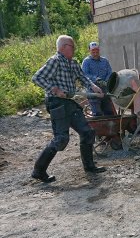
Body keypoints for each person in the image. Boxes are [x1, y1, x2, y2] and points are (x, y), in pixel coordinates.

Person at [31, 35, 106, 182]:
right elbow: (37, 78)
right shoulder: (55, 61)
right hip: (56, 102)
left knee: (87, 132)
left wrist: (94, 87)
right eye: (72, 46)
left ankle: (89, 166)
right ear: (63, 47)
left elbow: (82, 77)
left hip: (68, 103)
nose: (74, 48)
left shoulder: (73, 63)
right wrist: (54, 89)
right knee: (61, 139)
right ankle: (38, 171)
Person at [81, 41, 114, 116]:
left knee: (109, 113)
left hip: (105, 91)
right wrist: (96, 79)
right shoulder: (86, 62)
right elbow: (84, 75)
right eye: (93, 51)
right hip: (93, 92)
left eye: (97, 50)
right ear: (89, 51)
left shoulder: (105, 61)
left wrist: (106, 81)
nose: (95, 53)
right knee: (97, 114)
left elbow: (110, 72)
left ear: (99, 50)